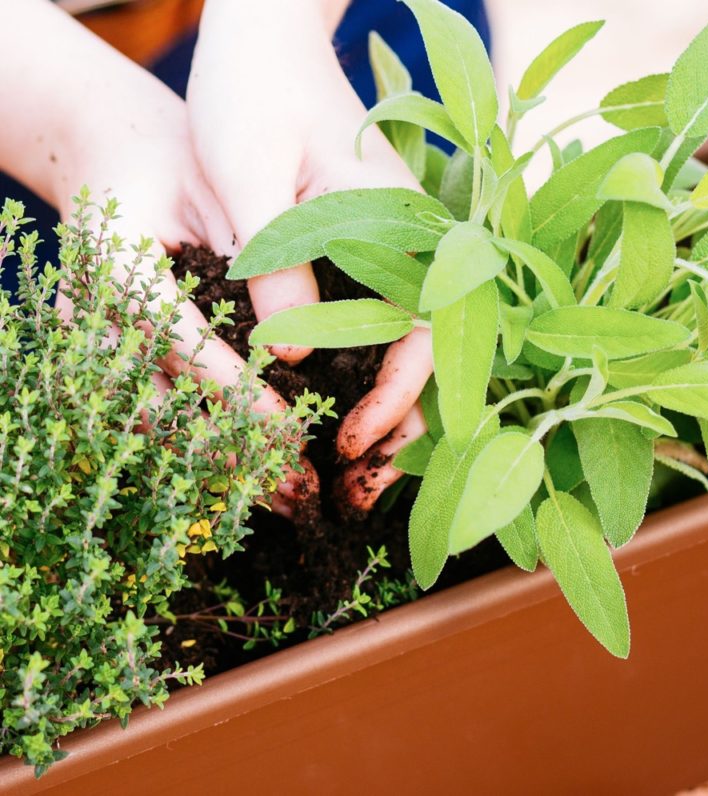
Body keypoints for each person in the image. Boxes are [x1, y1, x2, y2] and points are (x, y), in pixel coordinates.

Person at [0, 0, 490, 513]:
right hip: (23, 87)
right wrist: (79, 126)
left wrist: (277, 25)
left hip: (304, 32)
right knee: (78, 390)